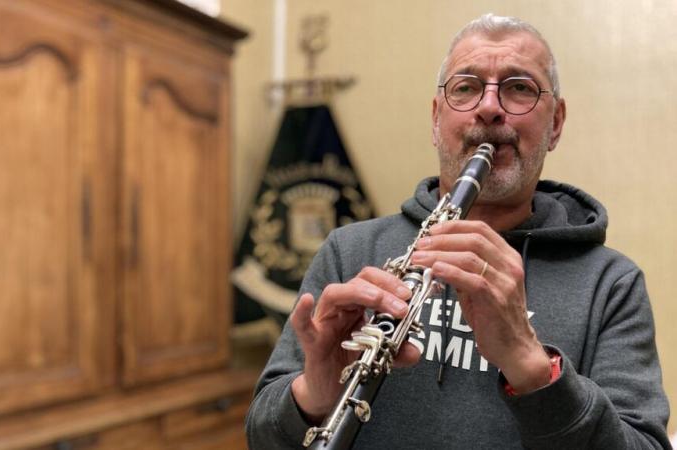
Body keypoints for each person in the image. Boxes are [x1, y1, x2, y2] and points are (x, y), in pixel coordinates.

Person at [245, 13, 671, 449]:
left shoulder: (612, 283)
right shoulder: (349, 249)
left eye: (519, 87)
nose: (489, 107)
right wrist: (313, 395)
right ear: (436, 120)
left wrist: (532, 367)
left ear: (556, 123)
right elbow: (261, 436)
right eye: (465, 87)